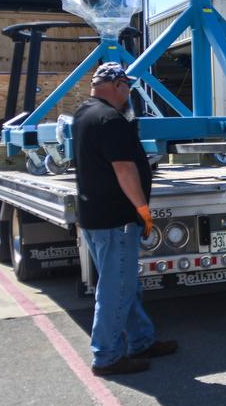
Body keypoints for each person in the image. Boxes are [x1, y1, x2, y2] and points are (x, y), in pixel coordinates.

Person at [74, 62, 177, 376]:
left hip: (95, 216)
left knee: (124, 285)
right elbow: (124, 169)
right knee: (116, 288)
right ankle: (106, 356)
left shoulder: (84, 114)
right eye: (127, 87)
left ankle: (141, 340)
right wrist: (142, 209)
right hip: (115, 219)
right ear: (117, 85)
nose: (129, 93)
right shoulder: (110, 119)